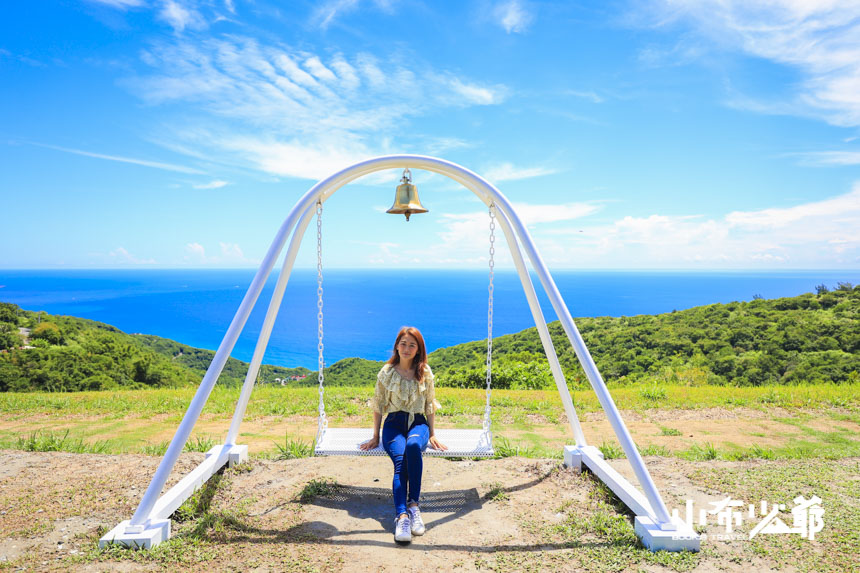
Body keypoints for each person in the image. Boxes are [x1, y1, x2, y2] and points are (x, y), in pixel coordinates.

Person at [359, 326, 447, 543]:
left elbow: (429, 404)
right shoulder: (386, 373)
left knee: (413, 447)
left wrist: (433, 433)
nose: (406, 349)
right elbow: (379, 405)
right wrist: (375, 436)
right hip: (394, 424)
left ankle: (414, 506)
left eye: (412, 345)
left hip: (418, 424)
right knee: (400, 460)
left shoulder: (424, 372)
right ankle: (402, 516)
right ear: (396, 346)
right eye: (403, 344)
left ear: (418, 349)